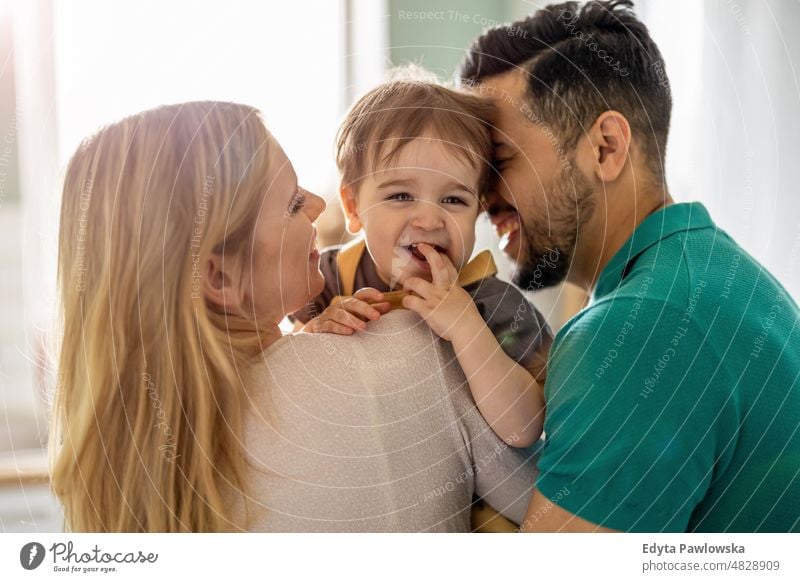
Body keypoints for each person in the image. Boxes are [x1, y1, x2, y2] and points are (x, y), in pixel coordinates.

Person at [51, 101, 539, 532]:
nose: (318, 204)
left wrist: (306, 338)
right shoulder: (410, 346)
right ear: (219, 279)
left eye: (453, 198)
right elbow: (558, 503)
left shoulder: (123, 472)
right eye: (290, 204)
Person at [461, 0, 800, 532]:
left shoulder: (643, 326)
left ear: (605, 146)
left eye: (499, 163)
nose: (481, 198)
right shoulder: (712, 274)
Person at [291, 78, 552, 447]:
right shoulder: (328, 278)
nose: (429, 221)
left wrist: (467, 331)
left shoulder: (494, 305)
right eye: (401, 195)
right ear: (353, 207)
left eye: (453, 200)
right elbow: (280, 381)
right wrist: (314, 333)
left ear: (479, 209)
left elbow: (524, 430)